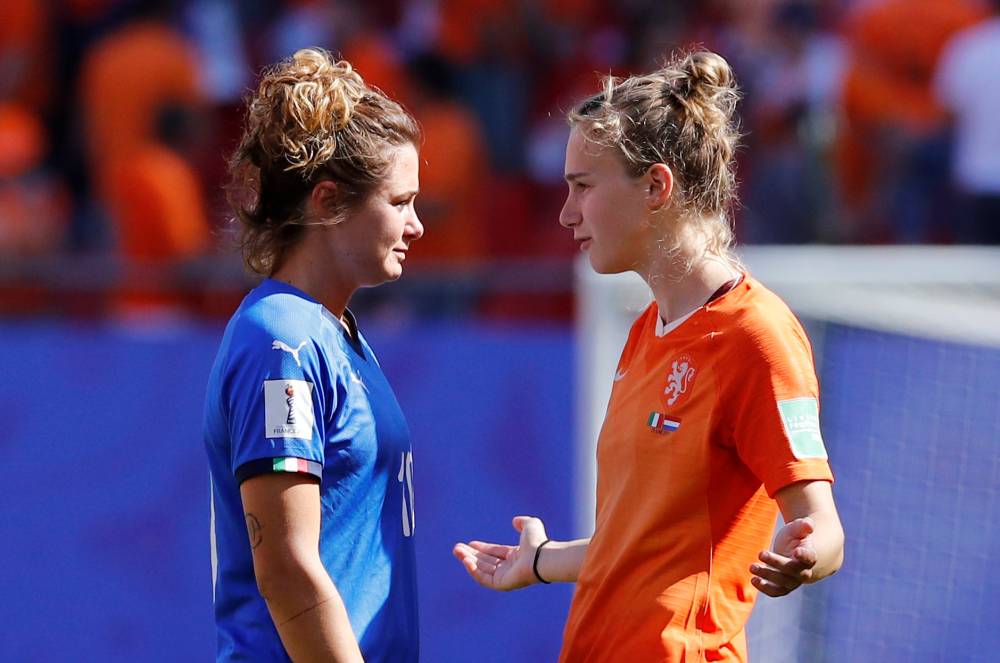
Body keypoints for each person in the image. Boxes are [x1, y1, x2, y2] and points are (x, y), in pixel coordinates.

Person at [453, 50, 844, 661]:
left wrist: (806, 553)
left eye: (583, 186)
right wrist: (540, 560)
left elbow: (823, 527)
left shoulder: (756, 334)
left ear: (657, 186)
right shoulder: (644, 331)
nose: (565, 212)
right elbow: (642, 543)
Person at [204, 48, 423, 662]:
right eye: (399, 203)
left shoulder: (333, 332)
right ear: (328, 203)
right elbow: (288, 569)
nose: (417, 226)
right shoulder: (280, 342)